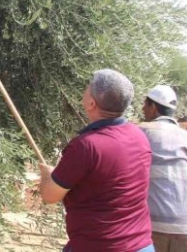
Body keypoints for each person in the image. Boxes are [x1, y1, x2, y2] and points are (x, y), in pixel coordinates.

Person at [38, 69, 154, 252]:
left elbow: (50, 196)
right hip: (142, 246)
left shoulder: (86, 146)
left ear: (92, 103)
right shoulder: (138, 136)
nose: (85, 89)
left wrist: (47, 176)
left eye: (88, 86)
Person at [140, 85, 187, 252]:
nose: (142, 108)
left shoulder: (140, 133)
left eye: (145, 104)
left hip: (155, 227)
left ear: (153, 107)